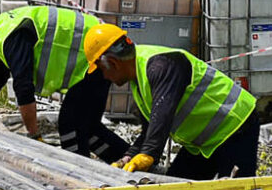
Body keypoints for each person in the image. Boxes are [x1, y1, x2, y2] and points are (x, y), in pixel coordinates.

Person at [0, 9, 129, 160]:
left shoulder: (11, 35)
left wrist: (34, 135)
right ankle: (126, 160)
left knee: (71, 124)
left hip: (98, 52)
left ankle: (81, 178)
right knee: (87, 126)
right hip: (98, 53)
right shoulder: (1, 34)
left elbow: (23, 88)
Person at [96, 38, 259, 180]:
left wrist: (149, 154)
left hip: (236, 126)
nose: (104, 77)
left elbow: (163, 115)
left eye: (102, 69)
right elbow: (151, 128)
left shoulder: (160, 65)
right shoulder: (139, 77)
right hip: (205, 140)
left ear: (113, 63)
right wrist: (128, 157)